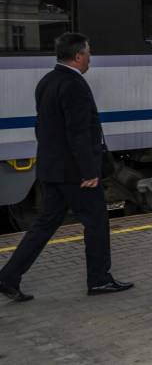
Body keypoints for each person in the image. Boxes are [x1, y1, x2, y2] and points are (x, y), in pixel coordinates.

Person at [0, 33, 133, 302]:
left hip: (51, 168)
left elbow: (42, 127)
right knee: (96, 221)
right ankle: (99, 280)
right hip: (75, 173)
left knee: (45, 224)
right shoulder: (74, 85)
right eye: (88, 53)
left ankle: (8, 277)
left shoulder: (47, 81)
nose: (90, 58)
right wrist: (89, 171)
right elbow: (79, 133)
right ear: (78, 56)